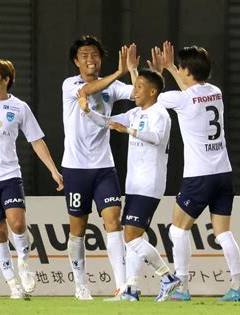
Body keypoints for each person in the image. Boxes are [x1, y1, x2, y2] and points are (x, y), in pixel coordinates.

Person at [0, 58, 63, 299]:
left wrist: (53, 170)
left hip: (9, 175)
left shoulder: (19, 107)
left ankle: (24, 263)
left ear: (6, 80)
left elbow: (36, 140)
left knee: (17, 223)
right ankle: (13, 285)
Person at [79, 66, 181, 302]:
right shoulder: (135, 114)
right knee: (134, 238)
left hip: (150, 182)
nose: (134, 91)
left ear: (153, 91)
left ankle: (167, 278)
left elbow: (156, 137)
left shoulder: (160, 113)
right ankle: (131, 289)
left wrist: (129, 131)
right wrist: (87, 112)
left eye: (139, 87)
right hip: (134, 183)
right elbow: (108, 121)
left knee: (131, 238)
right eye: (134, 87)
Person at [155, 41, 240, 302]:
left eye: (180, 68)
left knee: (177, 230)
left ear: (186, 70)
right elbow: (191, 92)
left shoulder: (180, 99)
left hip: (199, 176)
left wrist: (161, 71)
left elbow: (153, 94)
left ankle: (181, 286)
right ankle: (237, 286)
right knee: (223, 233)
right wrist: (173, 66)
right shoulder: (215, 92)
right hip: (223, 173)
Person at [61, 36, 138, 300]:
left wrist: (133, 70)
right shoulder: (70, 84)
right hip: (75, 168)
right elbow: (86, 92)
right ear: (76, 61)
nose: (90, 59)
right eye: (84, 55)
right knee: (78, 229)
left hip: (104, 166)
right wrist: (119, 72)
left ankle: (122, 286)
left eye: (94, 54)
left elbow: (139, 94)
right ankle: (80, 285)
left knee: (113, 222)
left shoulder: (113, 87)